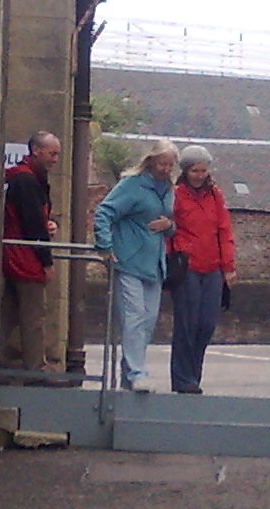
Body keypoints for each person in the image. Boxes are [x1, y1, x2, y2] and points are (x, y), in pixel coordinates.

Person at [92, 142, 177, 393]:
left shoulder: (169, 189)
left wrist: (169, 226)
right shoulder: (132, 184)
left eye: (170, 165)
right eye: (162, 163)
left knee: (148, 321)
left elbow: (170, 224)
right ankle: (138, 372)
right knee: (134, 317)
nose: (166, 169)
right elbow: (104, 212)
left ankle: (128, 375)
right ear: (150, 160)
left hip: (154, 264)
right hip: (128, 260)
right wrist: (104, 245)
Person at [166, 145, 235, 394]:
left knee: (206, 325)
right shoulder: (175, 195)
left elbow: (224, 230)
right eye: (195, 170)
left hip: (213, 268)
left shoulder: (215, 196)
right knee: (186, 324)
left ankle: (193, 375)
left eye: (203, 170)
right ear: (186, 170)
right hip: (188, 267)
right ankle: (184, 379)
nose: (200, 175)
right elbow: (168, 229)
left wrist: (228, 266)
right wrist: (172, 256)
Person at [0, 130, 63, 378]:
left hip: (15, 252)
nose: (55, 159)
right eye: (52, 153)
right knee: (33, 315)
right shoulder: (28, 181)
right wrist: (46, 261)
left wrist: (49, 222)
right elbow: (32, 223)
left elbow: (37, 218)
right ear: (36, 151)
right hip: (25, 256)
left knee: (10, 313)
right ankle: (37, 368)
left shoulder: (24, 178)